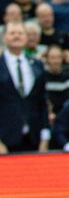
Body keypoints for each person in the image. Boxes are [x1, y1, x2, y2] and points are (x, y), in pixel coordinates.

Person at [0, 20, 50, 153]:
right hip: (5, 139)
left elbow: (42, 103)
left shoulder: (37, 64)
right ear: (4, 37)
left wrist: (45, 138)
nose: (16, 36)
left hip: (33, 138)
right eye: (12, 33)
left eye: (20, 33)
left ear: (26, 37)